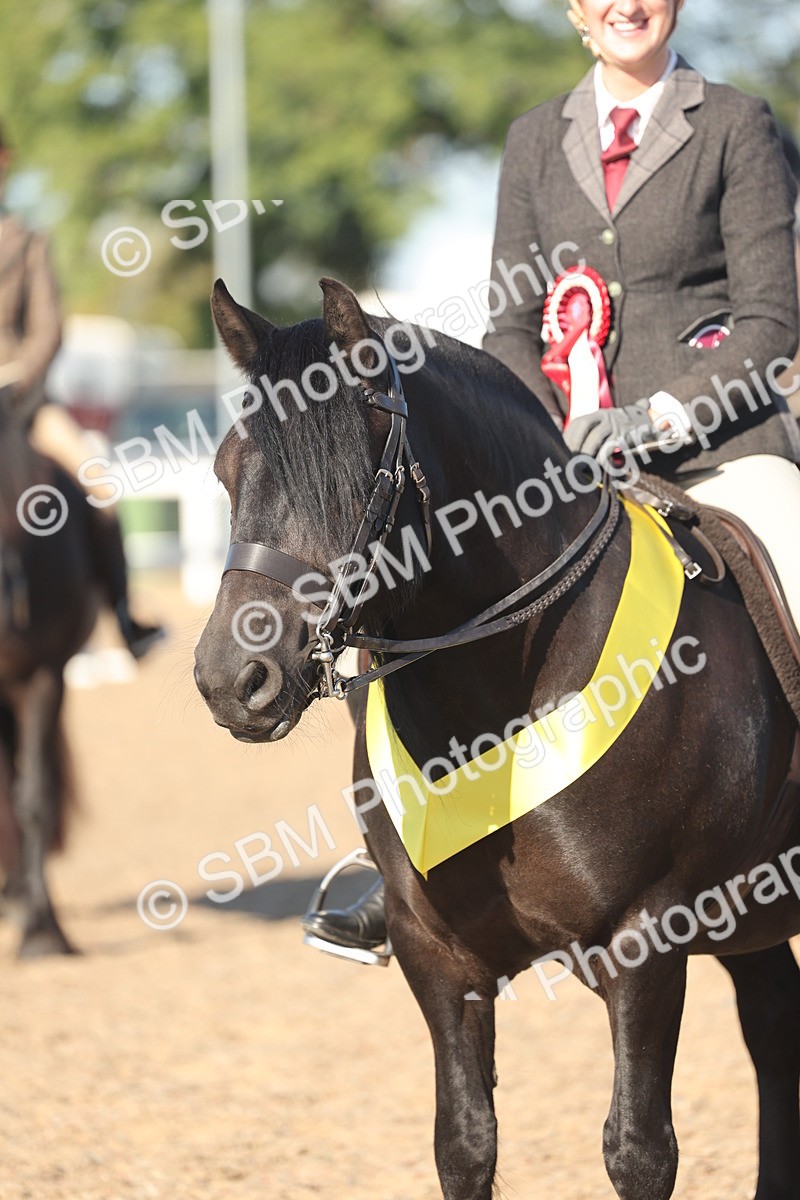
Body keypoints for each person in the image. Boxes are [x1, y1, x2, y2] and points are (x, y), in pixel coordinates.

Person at [303, 0, 800, 954]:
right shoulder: (537, 139)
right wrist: (547, 435)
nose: (627, 4)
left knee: (795, 560)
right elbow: (510, 330)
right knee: (409, 591)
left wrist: (658, 416)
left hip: (717, 450)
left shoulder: (734, 123)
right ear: (576, 11)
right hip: (563, 465)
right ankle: (396, 866)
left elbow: (771, 323)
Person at [0, 122, 163, 659]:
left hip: (22, 404)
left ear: (6, 160)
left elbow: (48, 330)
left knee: (97, 482)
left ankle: (124, 613)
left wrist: (17, 382)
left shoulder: (27, 242)